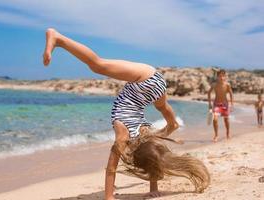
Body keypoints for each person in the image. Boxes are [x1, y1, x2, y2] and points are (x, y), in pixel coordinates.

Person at [42, 28, 180, 199]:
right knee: (98, 65)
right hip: (143, 83)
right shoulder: (123, 138)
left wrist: (153, 188)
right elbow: (111, 169)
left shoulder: (146, 136)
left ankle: (172, 123)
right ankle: (58, 38)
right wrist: (109, 197)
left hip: (155, 82)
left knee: (162, 107)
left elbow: (153, 158)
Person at [207, 69, 234, 142]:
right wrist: (209, 104)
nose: (221, 78)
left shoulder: (227, 85)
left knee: (226, 120)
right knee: (215, 119)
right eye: (219, 76)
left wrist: (232, 104)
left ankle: (228, 133)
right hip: (216, 104)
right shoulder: (214, 84)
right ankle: (216, 135)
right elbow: (209, 93)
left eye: (223, 76)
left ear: (225, 76)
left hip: (225, 104)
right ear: (217, 77)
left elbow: (231, 94)